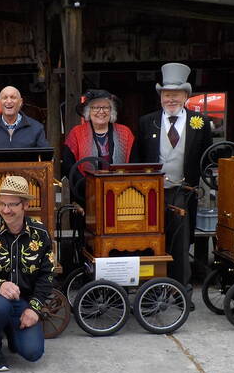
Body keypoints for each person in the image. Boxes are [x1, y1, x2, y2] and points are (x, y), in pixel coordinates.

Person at [134, 63, 212, 291]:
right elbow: (138, 158)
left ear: (186, 96)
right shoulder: (147, 122)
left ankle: (181, 289)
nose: (171, 100)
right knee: (153, 239)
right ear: (160, 97)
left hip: (183, 192)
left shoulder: (200, 123)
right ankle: (154, 288)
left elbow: (207, 157)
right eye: (167, 95)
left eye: (176, 95)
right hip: (152, 191)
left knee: (180, 242)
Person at [0, 175, 53, 372]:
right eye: (1, 203)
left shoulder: (40, 234)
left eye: (12, 204)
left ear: (25, 205)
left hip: (23, 302)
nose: (5, 210)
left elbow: (47, 275)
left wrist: (34, 309)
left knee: (32, 353)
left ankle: (11, 329)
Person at [62, 89, 134, 178]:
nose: (101, 112)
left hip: (119, 188)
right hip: (86, 188)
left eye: (105, 107)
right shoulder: (76, 133)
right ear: (88, 111)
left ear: (111, 111)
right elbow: (68, 166)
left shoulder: (125, 132)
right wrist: (87, 184)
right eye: (95, 107)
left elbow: (134, 164)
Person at [0, 86, 49, 150]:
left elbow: (45, 157)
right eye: (5, 98)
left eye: (13, 97)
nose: (9, 101)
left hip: (27, 169)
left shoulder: (36, 128)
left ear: (20, 102)